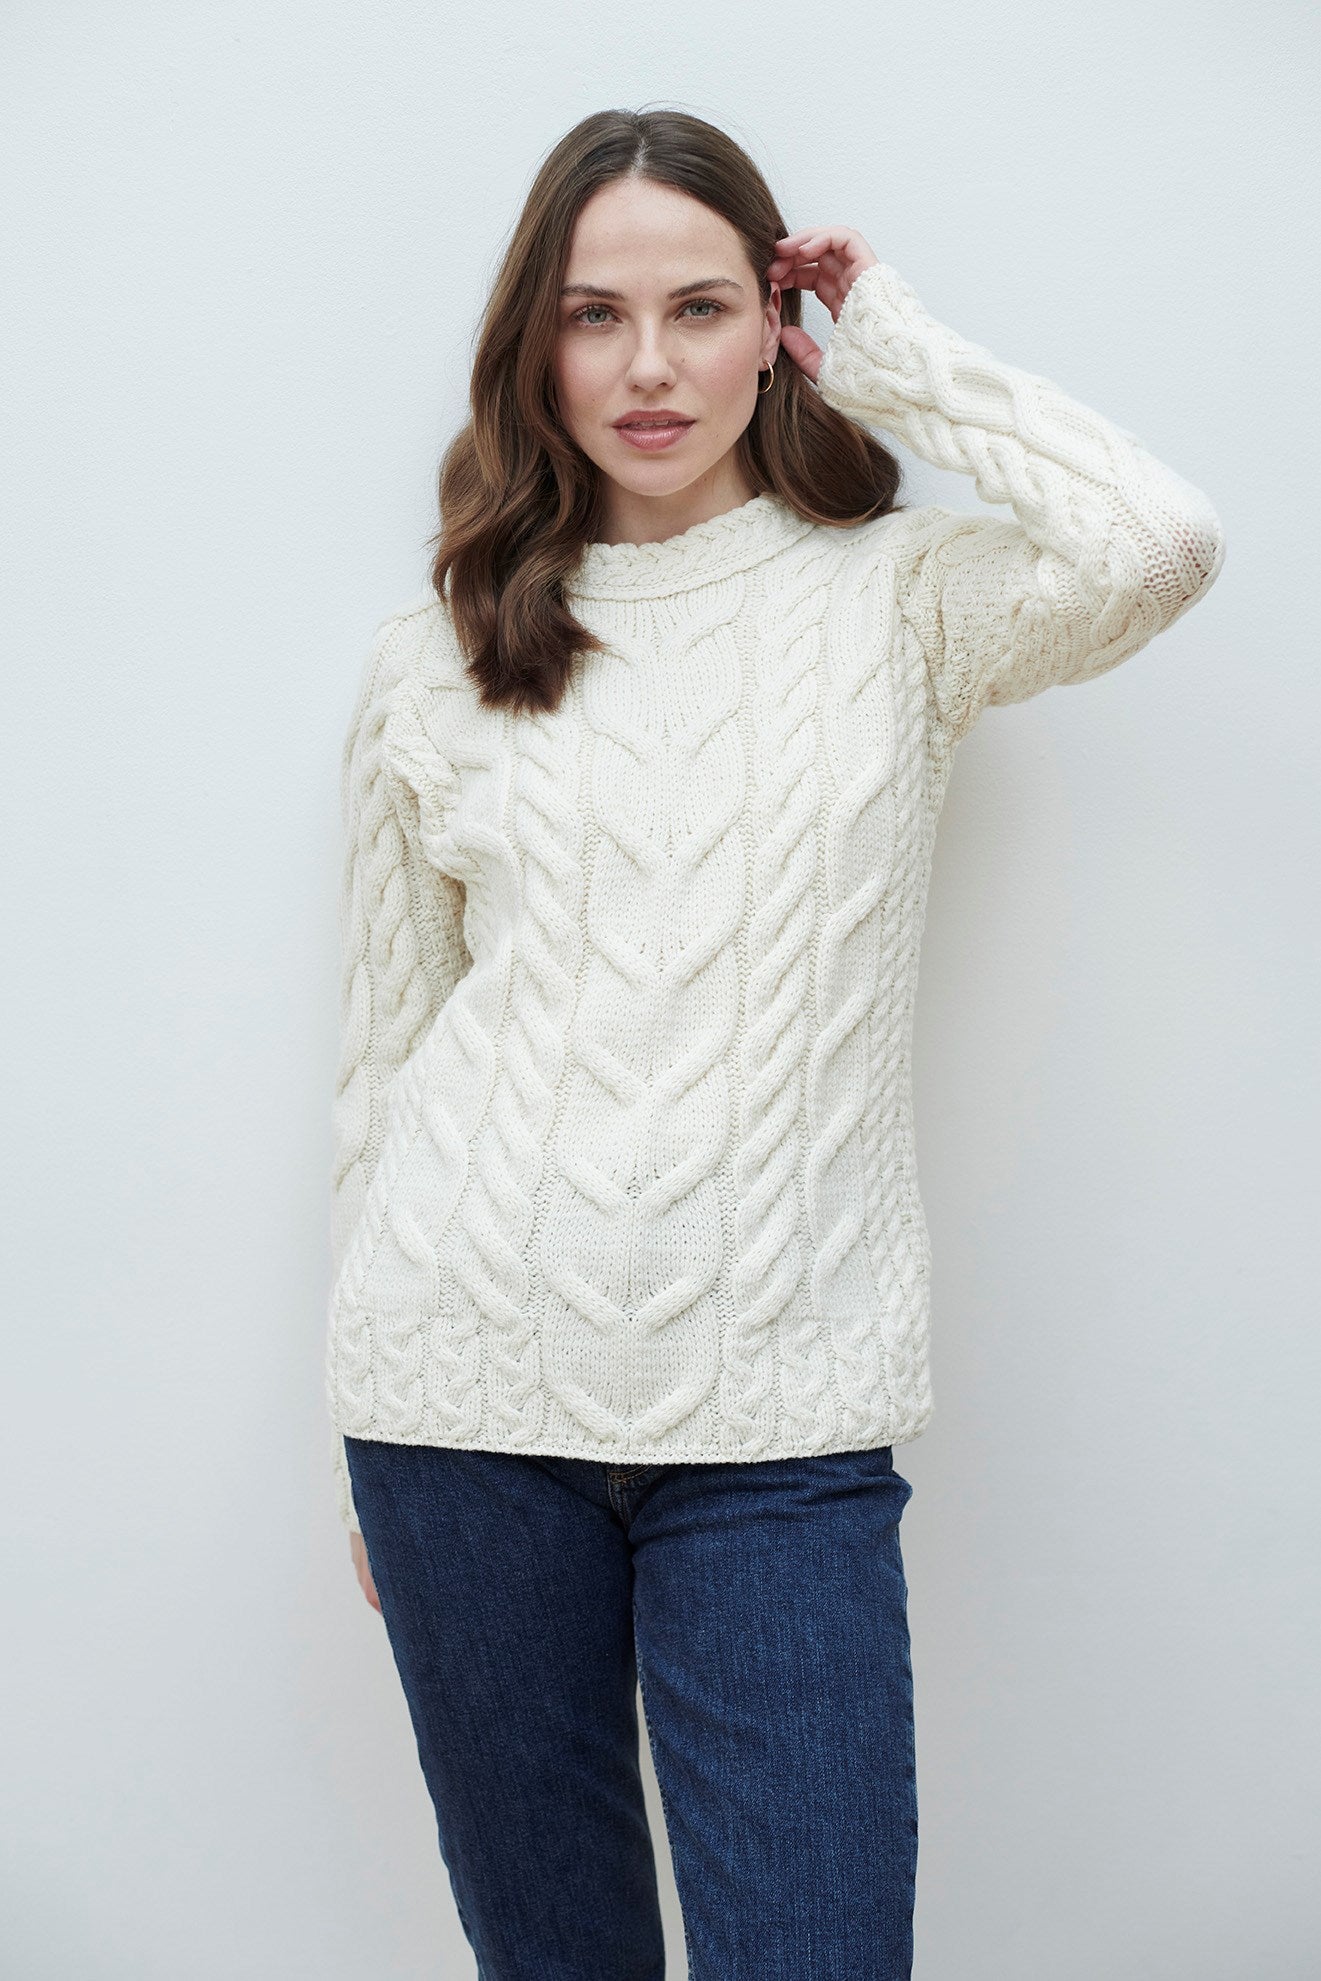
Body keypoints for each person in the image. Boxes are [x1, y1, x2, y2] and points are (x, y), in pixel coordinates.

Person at [324, 107, 1225, 1981]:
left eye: (699, 308)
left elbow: (1157, 543)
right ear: (532, 343)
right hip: (458, 1403)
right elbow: (387, 1061)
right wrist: (367, 1425)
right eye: (593, 315)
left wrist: (902, 348)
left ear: (773, 328)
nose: (647, 367)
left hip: (781, 1423)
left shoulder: (900, 597)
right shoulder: (438, 651)